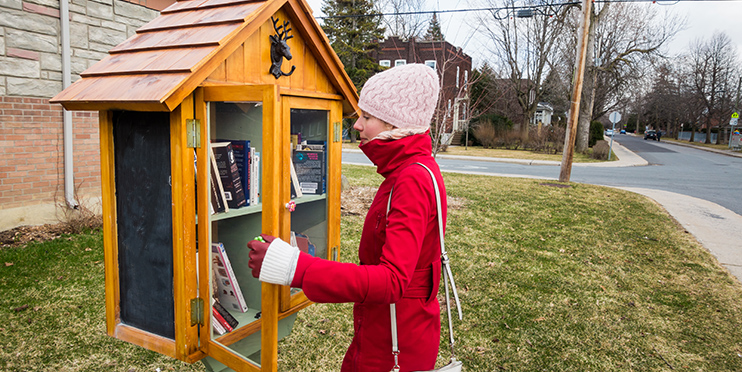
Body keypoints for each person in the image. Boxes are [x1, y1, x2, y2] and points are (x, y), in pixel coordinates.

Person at [247, 63, 446, 372]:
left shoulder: (411, 180)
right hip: (387, 329)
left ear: (396, 125)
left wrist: (297, 267)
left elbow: (392, 280)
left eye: (367, 117)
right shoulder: (407, 172)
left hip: (396, 345)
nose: (357, 125)